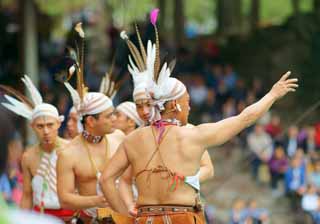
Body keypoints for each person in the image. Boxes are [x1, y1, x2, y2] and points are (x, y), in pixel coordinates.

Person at [100, 9, 299, 224]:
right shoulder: (194, 135)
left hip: (145, 219)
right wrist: (272, 95)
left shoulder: (133, 139)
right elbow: (244, 118)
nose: (190, 106)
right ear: (175, 104)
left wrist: (125, 212)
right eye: (187, 101)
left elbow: (107, 179)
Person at [57, 22, 126, 223]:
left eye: (114, 114)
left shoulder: (119, 138)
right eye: (109, 116)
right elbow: (64, 198)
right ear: (90, 121)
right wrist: (98, 200)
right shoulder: (69, 153)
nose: (114, 119)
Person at [1, 75, 73, 222]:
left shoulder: (72, 149)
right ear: (32, 127)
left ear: (59, 124)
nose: (46, 131)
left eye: (50, 125)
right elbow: (27, 195)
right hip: (40, 216)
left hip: (71, 217)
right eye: (40, 126)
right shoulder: (28, 157)